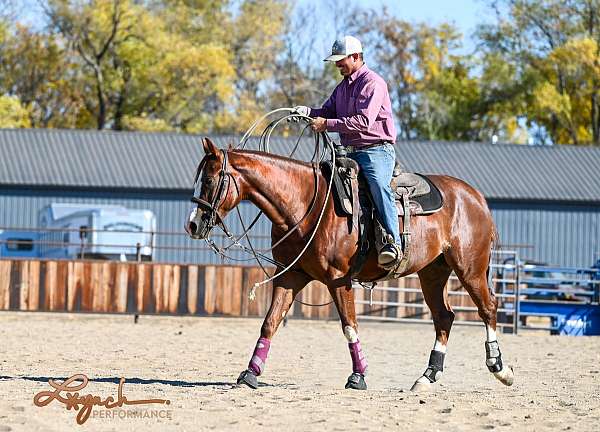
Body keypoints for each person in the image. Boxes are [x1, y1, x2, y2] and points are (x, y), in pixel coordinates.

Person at [293, 35, 401, 268]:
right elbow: (326, 111)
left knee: (378, 185)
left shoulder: (373, 83)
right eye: (336, 61)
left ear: (356, 56)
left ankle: (394, 242)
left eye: (341, 60)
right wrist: (307, 112)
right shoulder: (341, 88)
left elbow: (363, 121)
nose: (337, 64)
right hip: (349, 151)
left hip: (376, 151)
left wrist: (326, 124)